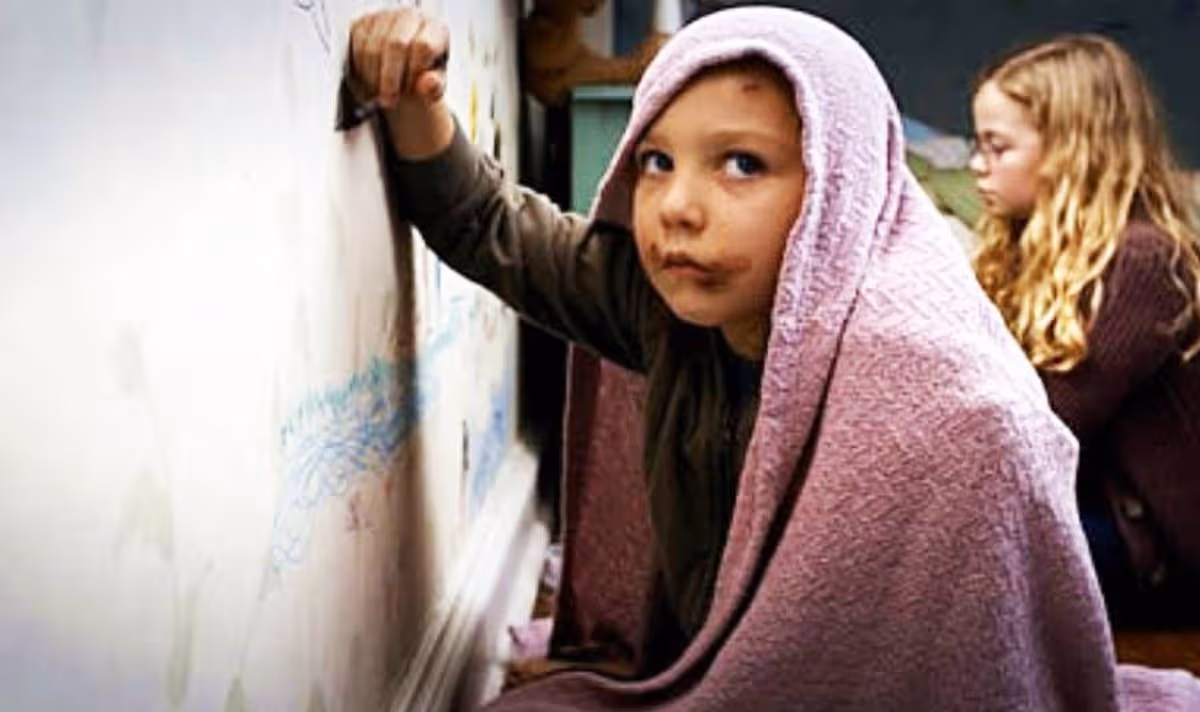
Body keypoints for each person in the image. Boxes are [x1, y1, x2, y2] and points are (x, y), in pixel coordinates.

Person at [349, 6, 1200, 709]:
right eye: (656, 161)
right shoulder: (666, 303)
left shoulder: (940, 398)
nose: (678, 206)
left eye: (743, 164)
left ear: (839, 183)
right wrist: (415, 101)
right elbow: (499, 233)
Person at [969, 34, 1200, 628]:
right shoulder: (1028, 250)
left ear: (1074, 151)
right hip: (1084, 510)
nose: (976, 164)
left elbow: (1040, 422)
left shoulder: (1145, 261)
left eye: (997, 147)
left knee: (962, 566)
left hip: (1157, 551)